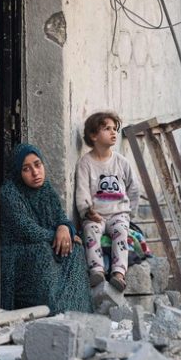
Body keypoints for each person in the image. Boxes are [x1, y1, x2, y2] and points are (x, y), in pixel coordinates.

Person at [0, 143, 93, 314]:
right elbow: (27, 230)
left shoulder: (46, 189)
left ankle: (77, 309)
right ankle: (52, 310)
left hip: (44, 243)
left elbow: (60, 217)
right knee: (43, 252)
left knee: (76, 248)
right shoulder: (9, 193)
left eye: (37, 165)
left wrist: (65, 228)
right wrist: (56, 235)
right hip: (18, 253)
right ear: (18, 172)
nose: (35, 172)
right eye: (26, 169)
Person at [75, 111, 139, 292]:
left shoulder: (122, 162)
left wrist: (130, 214)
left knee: (121, 232)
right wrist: (87, 211)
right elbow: (82, 191)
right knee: (91, 231)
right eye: (107, 129)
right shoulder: (85, 163)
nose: (113, 132)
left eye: (114, 129)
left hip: (119, 214)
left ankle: (119, 273)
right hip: (96, 216)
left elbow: (134, 189)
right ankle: (97, 271)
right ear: (93, 135)